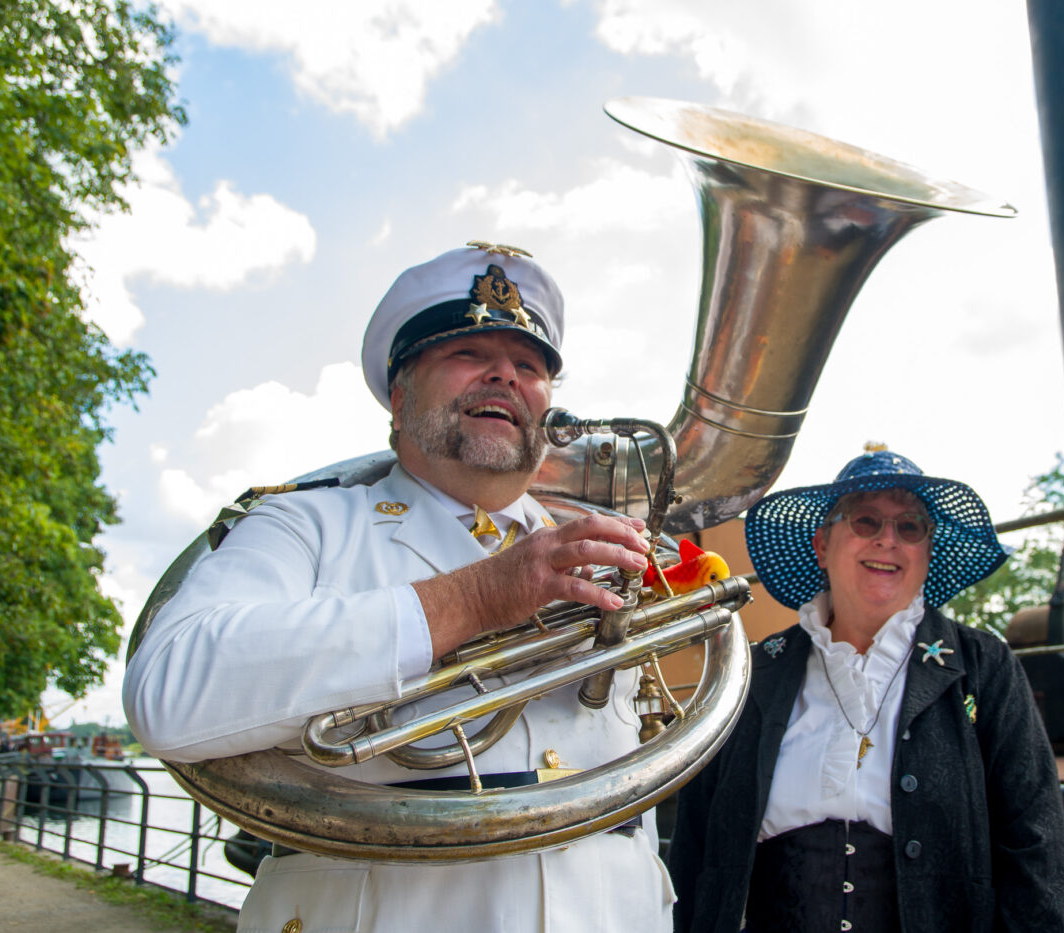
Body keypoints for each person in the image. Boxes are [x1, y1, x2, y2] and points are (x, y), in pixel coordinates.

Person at [124, 242, 676, 932]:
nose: (505, 373)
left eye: (529, 366)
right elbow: (168, 688)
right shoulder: (305, 523)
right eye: (468, 355)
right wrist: (474, 599)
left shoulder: (600, 555)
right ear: (399, 395)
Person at [668, 447, 1064, 933]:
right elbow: (695, 847)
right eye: (865, 521)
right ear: (823, 544)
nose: (888, 540)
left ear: (927, 551)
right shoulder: (753, 673)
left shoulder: (984, 669)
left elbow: (1036, 846)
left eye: (910, 528)